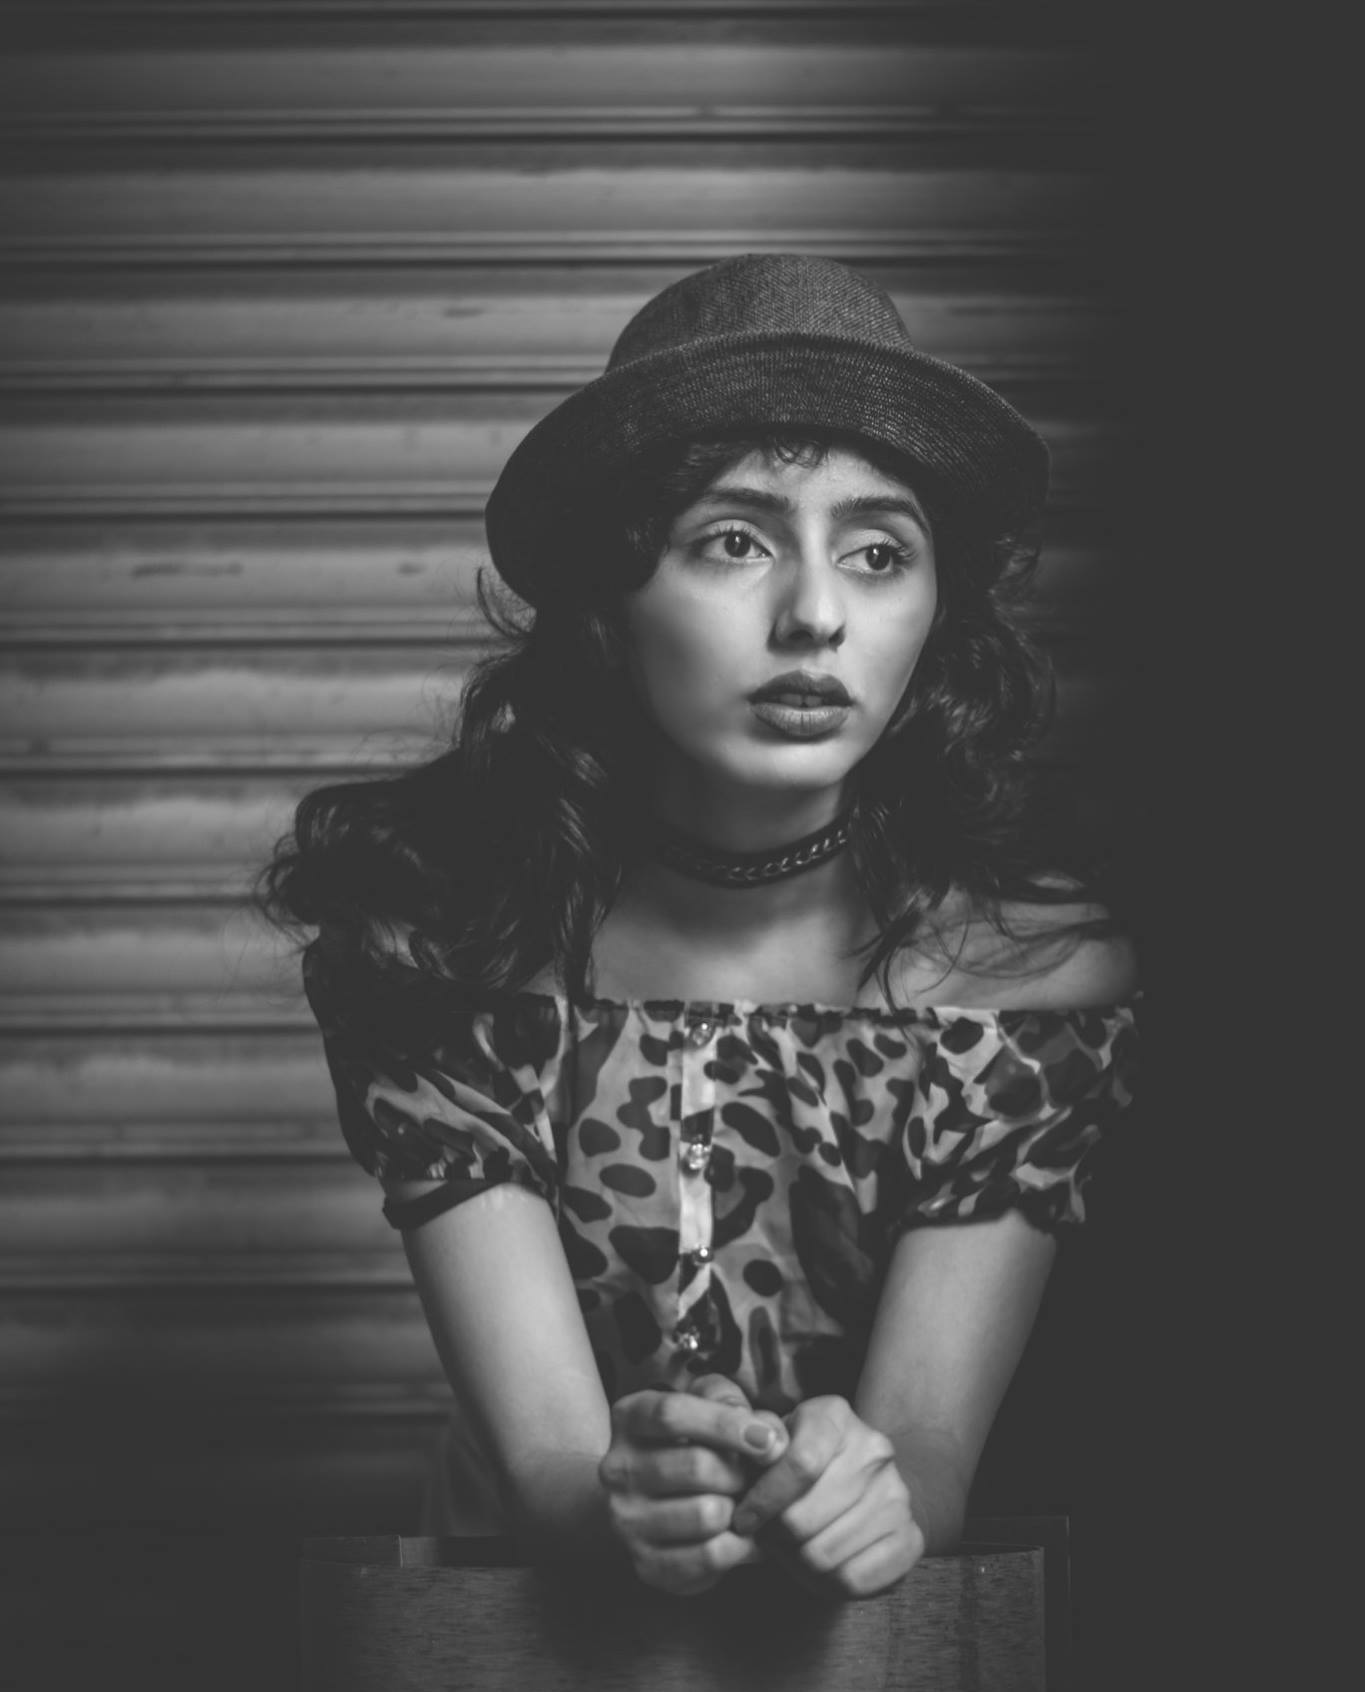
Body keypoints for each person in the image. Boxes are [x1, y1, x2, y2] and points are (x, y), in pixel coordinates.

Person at [260, 253, 1139, 1601]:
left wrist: (877, 1500)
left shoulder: (1036, 985)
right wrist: (618, 1498)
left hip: (885, 1672)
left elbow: (930, 1454)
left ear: (935, 611)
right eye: (734, 540)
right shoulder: (442, 964)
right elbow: (549, 1470)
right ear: (608, 603)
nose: (817, 616)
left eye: (879, 553)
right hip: (526, 1643)